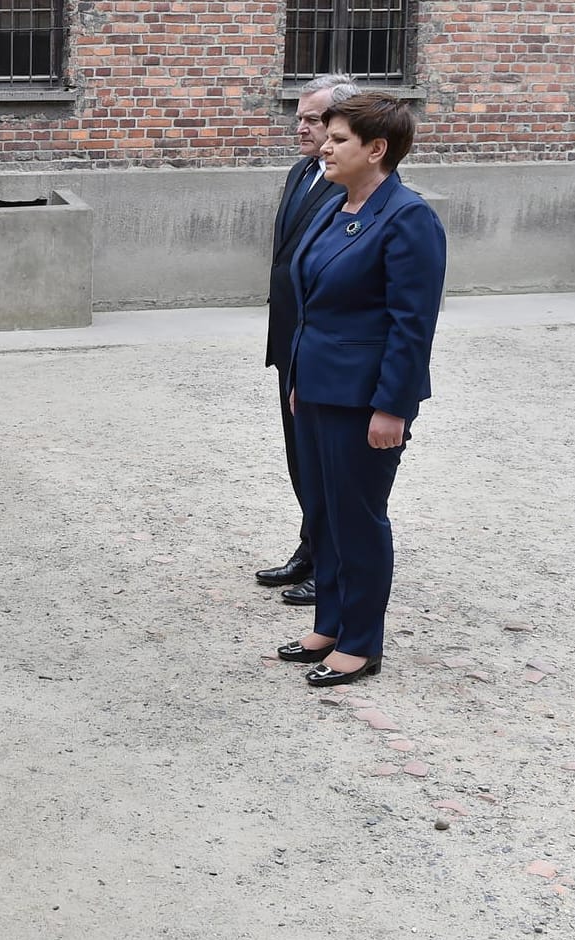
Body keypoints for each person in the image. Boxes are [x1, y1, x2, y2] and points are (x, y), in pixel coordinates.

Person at [275, 92, 446, 686]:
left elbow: (411, 324)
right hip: (317, 390)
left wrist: (392, 407)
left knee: (359, 517)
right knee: (324, 512)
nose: (324, 145)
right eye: (327, 135)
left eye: (339, 138)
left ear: (377, 149)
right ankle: (329, 624)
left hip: (365, 400)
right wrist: (298, 379)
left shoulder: (408, 217)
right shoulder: (333, 206)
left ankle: (361, 642)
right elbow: (309, 306)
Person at [256, 74, 359, 606]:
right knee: (299, 452)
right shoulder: (303, 170)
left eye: (313, 119)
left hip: (325, 345)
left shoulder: (354, 185)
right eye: (298, 116)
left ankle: (334, 564)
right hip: (291, 342)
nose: (300, 126)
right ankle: (310, 548)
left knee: (329, 460)